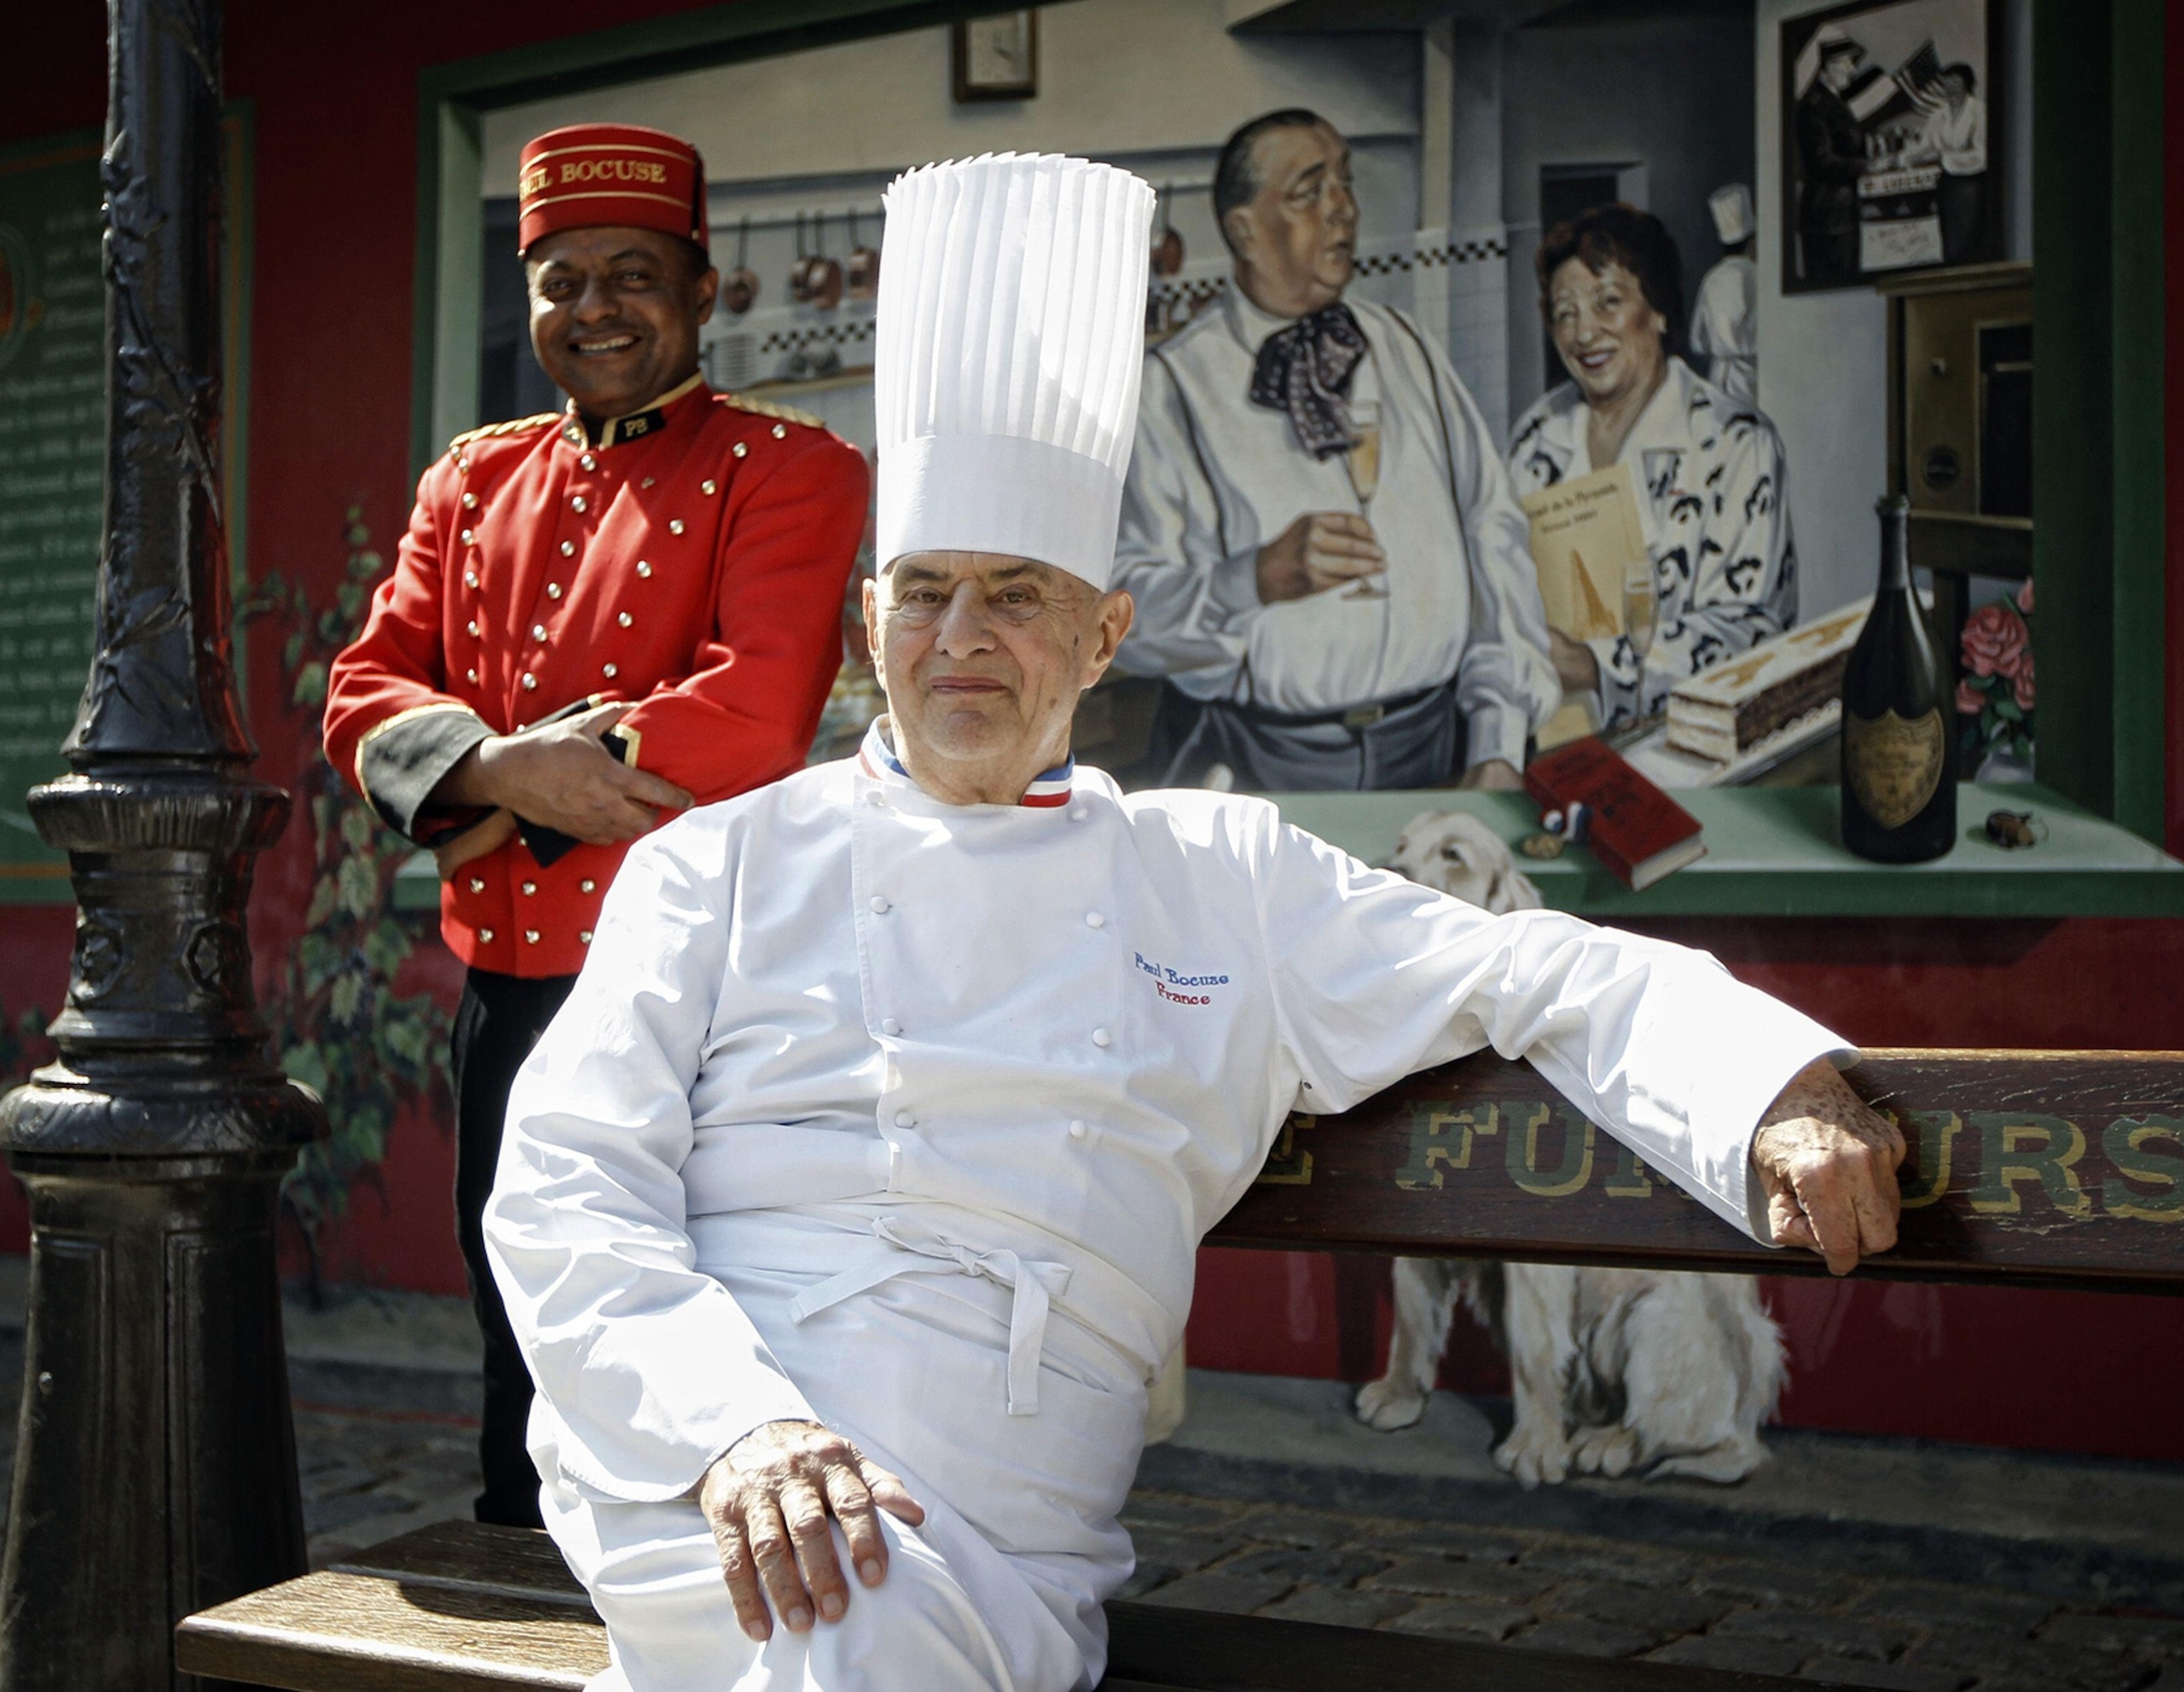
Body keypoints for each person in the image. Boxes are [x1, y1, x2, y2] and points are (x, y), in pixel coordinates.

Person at [488, 150, 1902, 1692]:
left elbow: (1532, 971)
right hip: (707, 1476)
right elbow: (565, 1184)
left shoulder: (1219, 872)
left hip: (1006, 1532)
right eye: (925, 592)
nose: (961, 637)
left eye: (1016, 594)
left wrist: (1776, 1085)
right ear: (866, 625)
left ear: (1103, 635)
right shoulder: (718, 865)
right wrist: (732, 1427)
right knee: (837, 1626)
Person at [322, 121, 870, 1528]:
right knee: (521, 1313)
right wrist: (516, 771)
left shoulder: (789, 468)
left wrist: (495, 793)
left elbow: (751, 714)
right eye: (562, 281)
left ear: (700, 292)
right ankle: (523, 1580)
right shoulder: (472, 480)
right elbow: (362, 693)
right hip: (509, 995)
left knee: (692, 1323)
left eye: (632, 275)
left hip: (702, 992)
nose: (595, 309)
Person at [1112, 108, 1558, 791]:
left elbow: (1492, 534)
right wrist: (1252, 578)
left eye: (1344, 184)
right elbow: (1127, 613)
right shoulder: (1169, 388)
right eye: (1309, 191)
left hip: (1436, 750)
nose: (1343, 208)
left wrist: (1497, 738)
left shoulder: (1406, 348)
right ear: (1243, 231)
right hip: (1260, 766)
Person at [1509, 203, 1801, 732]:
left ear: (1660, 310)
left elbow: (1752, 631)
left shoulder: (1734, 442)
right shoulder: (1537, 435)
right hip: (1552, 737)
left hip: (1690, 743)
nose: (1584, 333)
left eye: (1609, 303)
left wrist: (1592, 666)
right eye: (1565, 312)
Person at [1796, 36, 1869, 285]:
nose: (1853, 70)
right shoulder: (1814, 107)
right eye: (1847, 63)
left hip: (1843, 214)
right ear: (1828, 66)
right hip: (1826, 217)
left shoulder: (1836, 102)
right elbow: (1821, 161)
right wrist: (1865, 166)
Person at [1907, 63, 1988, 264]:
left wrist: (1946, 159)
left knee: (1969, 239)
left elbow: (1982, 154)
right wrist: (1902, 158)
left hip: (1971, 184)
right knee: (1949, 239)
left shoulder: (1979, 111)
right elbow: (1925, 145)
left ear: (1966, 83)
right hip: (1947, 185)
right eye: (1946, 80)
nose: (1949, 85)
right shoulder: (1938, 115)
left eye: (1955, 80)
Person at [1690, 183, 1757, 402]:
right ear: (1751, 241)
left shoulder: (1712, 278)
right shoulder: (1758, 275)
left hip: (1718, 376)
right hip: (1751, 377)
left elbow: (1697, 342)